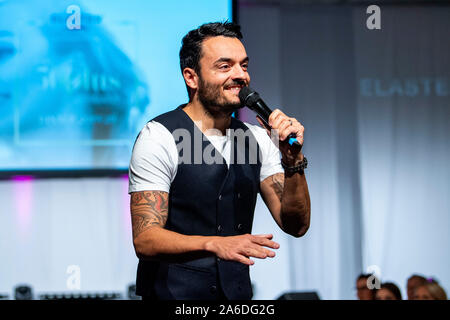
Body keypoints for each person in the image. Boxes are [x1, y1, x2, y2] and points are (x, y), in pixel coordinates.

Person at [128, 22, 311, 300]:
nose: (241, 75)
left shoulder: (259, 139)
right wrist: (215, 244)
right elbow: (146, 239)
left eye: (244, 65)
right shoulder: (159, 136)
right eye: (225, 66)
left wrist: (293, 161)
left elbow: (296, 225)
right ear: (192, 77)